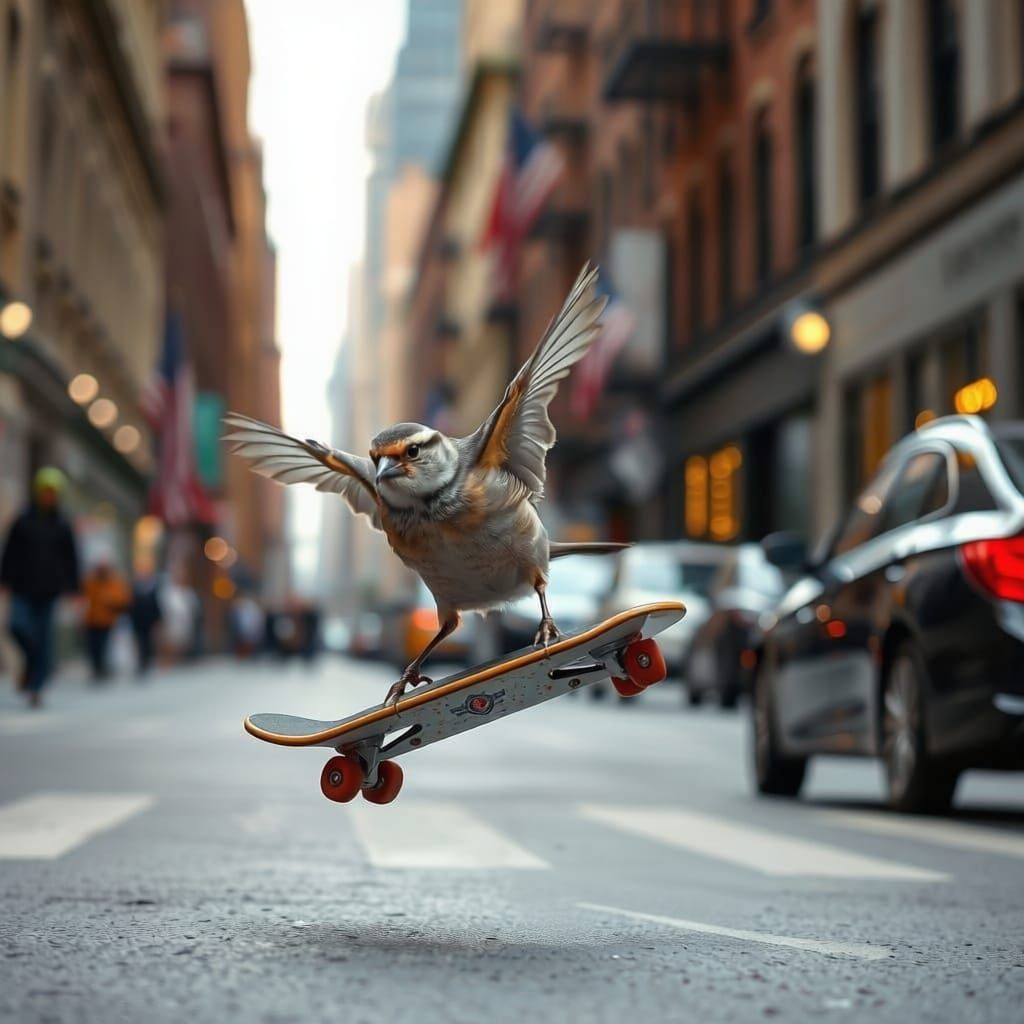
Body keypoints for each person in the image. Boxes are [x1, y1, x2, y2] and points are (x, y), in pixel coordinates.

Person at [0, 467, 80, 707]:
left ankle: (36, 687)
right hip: (22, 587)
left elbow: (71, 559)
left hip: (48, 589)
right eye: (45, 492)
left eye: (52, 492)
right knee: (18, 627)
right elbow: (10, 552)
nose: (48, 497)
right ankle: (32, 666)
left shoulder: (63, 524)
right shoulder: (23, 520)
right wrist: (4, 580)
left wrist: (73, 588)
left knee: (43, 638)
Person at [82, 558, 131, 681]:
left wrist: (111, 601)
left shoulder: (115, 582)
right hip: (91, 620)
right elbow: (83, 599)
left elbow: (124, 600)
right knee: (93, 647)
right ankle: (96, 669)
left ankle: (104, 668)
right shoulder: (90, 582)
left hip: (107, 621)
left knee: (105, 646)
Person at [129, 562, 162, 676]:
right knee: (140, 642)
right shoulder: (134, 588)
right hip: (137, 621)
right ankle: (141, 663)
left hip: (149, 621)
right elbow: (130, 606)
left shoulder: (152, 588)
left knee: (148, 642)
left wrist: (157, 618)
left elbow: (156, 605)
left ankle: (147, 662)